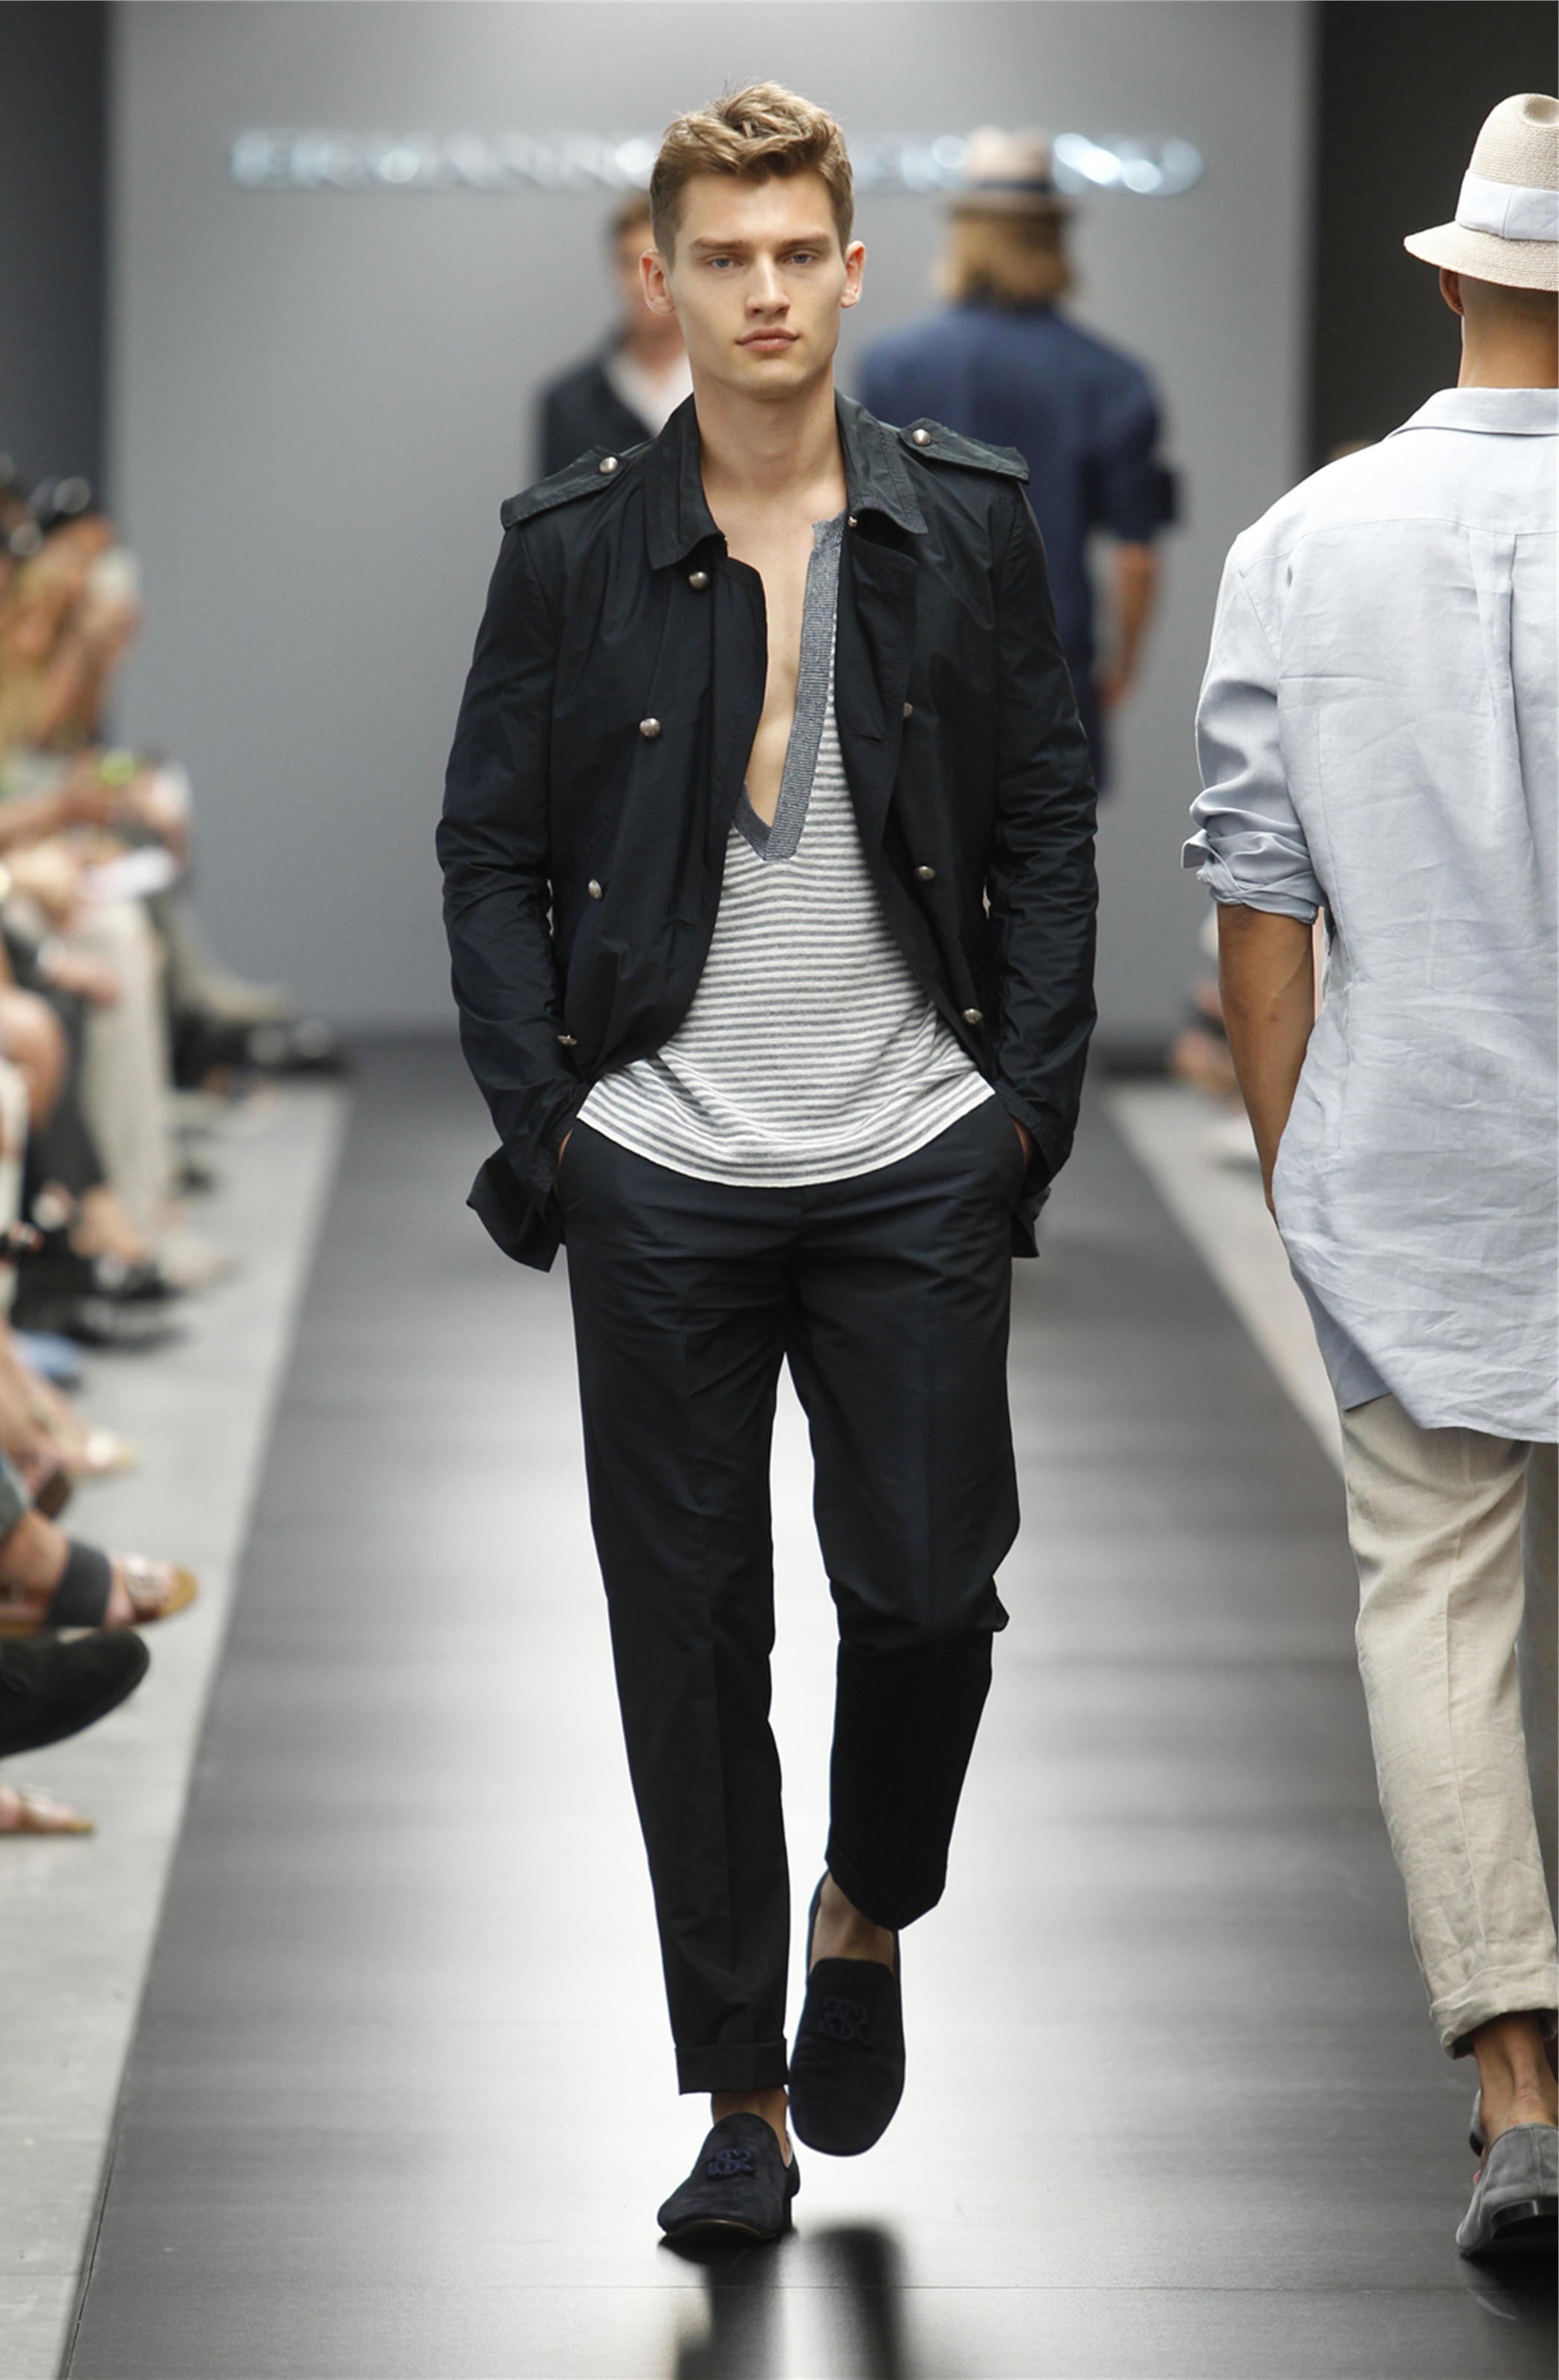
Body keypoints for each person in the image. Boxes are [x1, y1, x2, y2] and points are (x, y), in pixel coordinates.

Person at [441, 83, 1097, 2242]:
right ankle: (740, 2095)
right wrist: (555, 1128)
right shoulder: (570, 548)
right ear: (663, 276)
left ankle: (865, 1904)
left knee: (927, 1598)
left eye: (798, 250)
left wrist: (1022, 1112)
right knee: (689, 1631)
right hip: (662, 1162)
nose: (763, 291)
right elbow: (488, 848)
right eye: (722, 256)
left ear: (854, 265)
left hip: (912, 1144)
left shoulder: (963, 523)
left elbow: (1046, 821)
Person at [1186, 93, 1558, 2260]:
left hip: (1410, 1153)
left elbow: (1262, 903)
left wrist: (1297, 1174)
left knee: (1435, 1608)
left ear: (1444, 278)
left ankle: (1518, 2083)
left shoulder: (1304, 544)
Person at [860, 129, 1175, 790]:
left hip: (919, 664)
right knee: (1047, 843)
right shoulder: (1113, 379)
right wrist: (1121, 669)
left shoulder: (892, 368)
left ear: (964, 235)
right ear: (1055, 237)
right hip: (1054, 661)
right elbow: (1137, 555)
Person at [535, 191, 693, 477]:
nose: (642, 282)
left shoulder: (732, 386)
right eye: (629, 263)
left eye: (659, 265)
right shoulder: (570, 404)